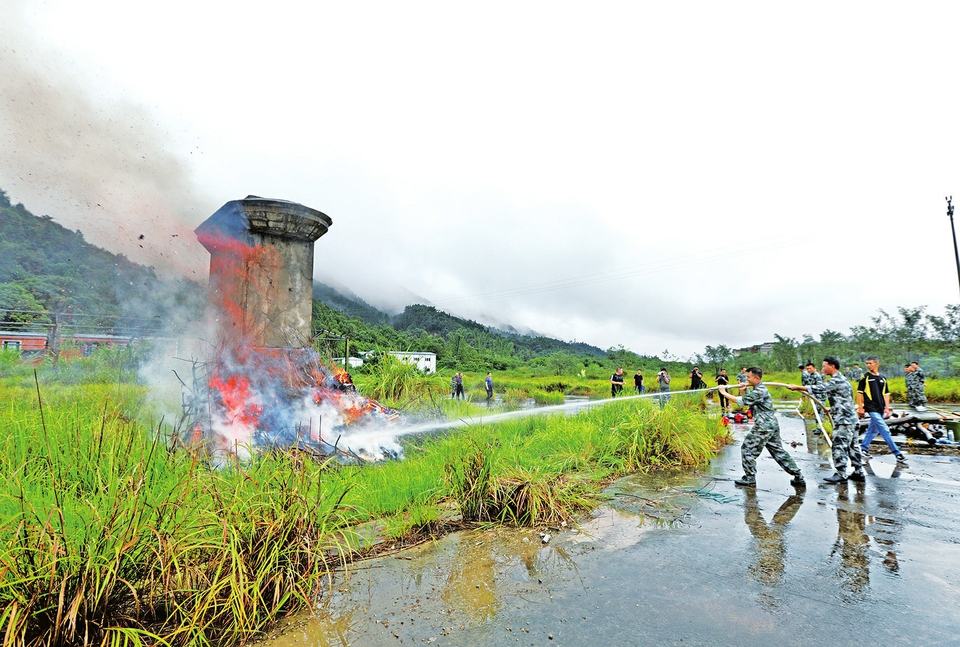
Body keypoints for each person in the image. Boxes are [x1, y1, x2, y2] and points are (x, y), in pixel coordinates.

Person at [718, 366, 805, 488]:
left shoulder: (760, 390)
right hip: (771, 425)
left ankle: (749, 478)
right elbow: (750, 400)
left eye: (748, 377)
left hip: (764, 426)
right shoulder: (757, 390)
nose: (746, 379)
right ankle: (798, 476)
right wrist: (744, 390)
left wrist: (723, 392)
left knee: (747, 449)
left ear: (757, 378)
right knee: (778, 452)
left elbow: (741, 401)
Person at [788, 356, 862, 484]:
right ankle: (858, 472)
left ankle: (841, 474)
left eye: (824, 366)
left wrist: (799, 388)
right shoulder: (843, 380)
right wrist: (831, 408)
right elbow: (844, 401)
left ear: (832, 366)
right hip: (851, 418)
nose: (822, 368)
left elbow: (820, 388)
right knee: (852, 446)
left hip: (844, 420)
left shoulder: (837, 380)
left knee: (839, 445)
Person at [857, 356, 907, 465]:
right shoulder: (864, 378)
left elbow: (886, 394)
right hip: (871, 407)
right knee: (884, 430)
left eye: (870, 363)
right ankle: (898, 453)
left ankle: (864, 448)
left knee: (873, 430)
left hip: (880, 408)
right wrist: (860, 407)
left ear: (877, 364)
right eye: (867, 363)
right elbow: (859, 393)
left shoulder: (883, 378)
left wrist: (887, 407)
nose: (868, 365)